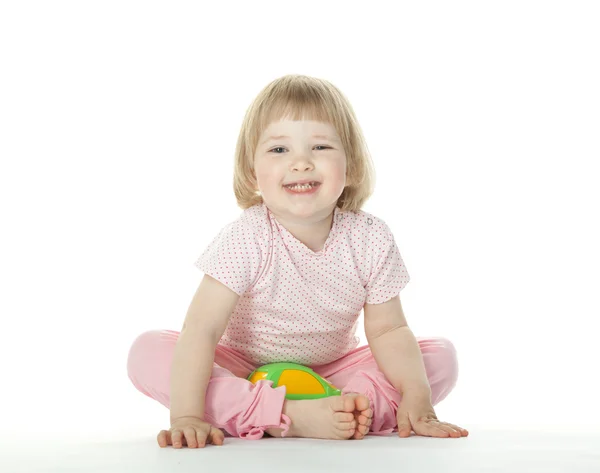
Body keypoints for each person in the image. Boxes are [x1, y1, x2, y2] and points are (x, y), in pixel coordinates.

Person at [127, 74, 469, 448]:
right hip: (244, 368)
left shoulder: (370, 237)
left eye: (320, 147)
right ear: (251, 170)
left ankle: (339, 405)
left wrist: (418, 399)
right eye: (279, 150)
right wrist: (188, 416)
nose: (302, 163)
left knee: (439, 359)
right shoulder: (248, 236)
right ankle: (292, 414)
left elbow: (388, 331)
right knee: (149, 352)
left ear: (351, 166)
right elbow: (201, 330)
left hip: (333, 373)